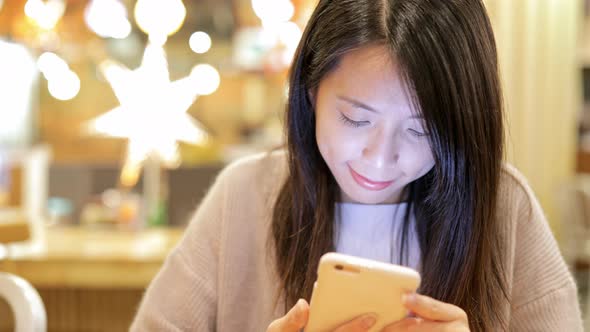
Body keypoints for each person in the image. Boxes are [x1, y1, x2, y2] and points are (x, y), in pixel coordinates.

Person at [131, 0, 583, 331]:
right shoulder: (245, 196)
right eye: (356, 117)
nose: (381, 157)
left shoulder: (503, 208)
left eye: (421, 130)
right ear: (310, 92)